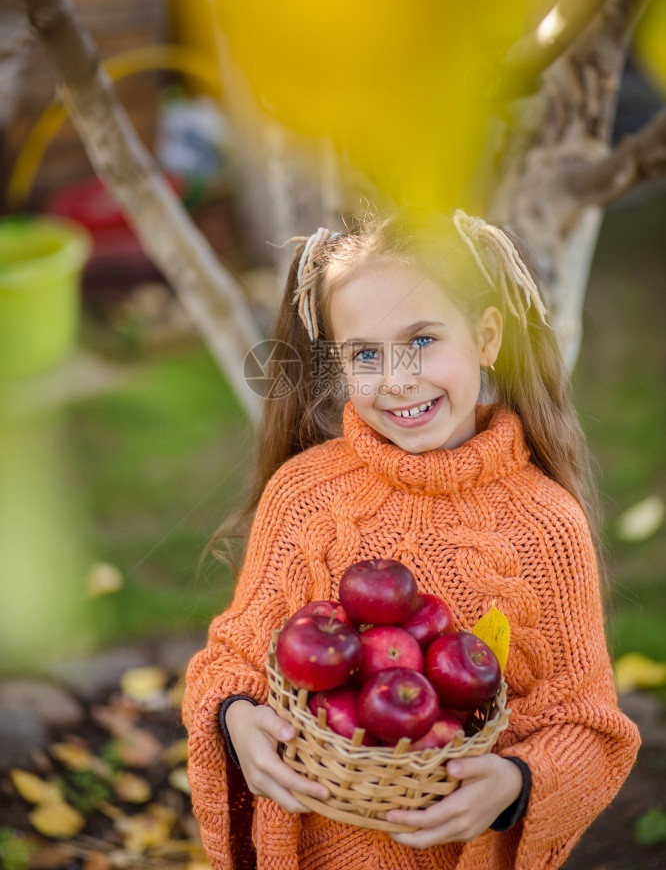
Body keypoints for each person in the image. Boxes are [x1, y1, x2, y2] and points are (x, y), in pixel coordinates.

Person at [182, 208, 640, 870]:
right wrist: (234, 719)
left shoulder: (545, 527)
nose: (397, 379)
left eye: (422, 339)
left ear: (486, 337)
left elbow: (588, 724)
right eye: (366, 354)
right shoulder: (304, 495)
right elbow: (230, 656)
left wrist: (516, 786)